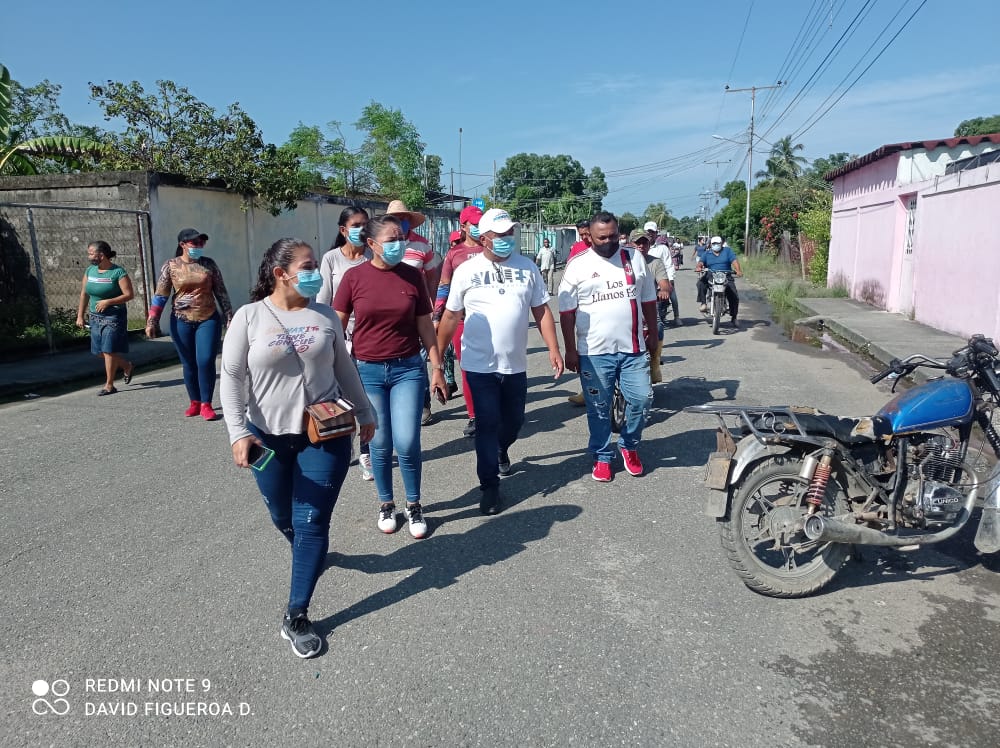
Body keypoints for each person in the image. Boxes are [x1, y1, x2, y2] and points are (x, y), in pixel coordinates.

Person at [220, 237, 375, 659]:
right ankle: (309, 552)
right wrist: (237, 432)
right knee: (281, 515)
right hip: (266, 439)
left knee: (312, 521)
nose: (314, 273)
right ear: (280, 274)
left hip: (325, 434)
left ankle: (296, 613)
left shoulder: (324, 315)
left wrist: (365, 411)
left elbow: (344, 366)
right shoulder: (249, 317)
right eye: (307, 266)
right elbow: (231, 378)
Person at [437, 208, 564, 515]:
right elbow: (451, 316)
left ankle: (501, 449)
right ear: (483, 239)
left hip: (515, 364)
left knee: (514, 422)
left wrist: (554, 348)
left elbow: (541, 311)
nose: (508, 238)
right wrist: (437, 361)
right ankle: (489, 486)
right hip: (478, 365)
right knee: (486, 423)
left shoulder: (527, 267)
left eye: (510, 233)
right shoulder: (467, 270)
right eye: (500, 234)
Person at [333, 214, 448, 539]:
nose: (400, 244)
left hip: (407, 369)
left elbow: (425, 325)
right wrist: (333, 371)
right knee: (380, 442)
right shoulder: (354, 278)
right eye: (392, 240)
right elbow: (336, 325)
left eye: (402, 238)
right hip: (367, 372)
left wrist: (437, 367)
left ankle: (414, 504)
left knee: (408, 442)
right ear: (371, 244)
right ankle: (386, 503)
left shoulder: (411, 276)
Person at [559, 212, 657, 482]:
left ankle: (629, 445)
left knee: (642, 399)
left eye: (613, 236)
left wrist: (653, 333)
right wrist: (570, 349)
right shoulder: (578, 264)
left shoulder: (634, 258)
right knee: (599, 408)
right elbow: (566, 312)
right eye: (601, 237)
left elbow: (648, 299)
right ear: (590, 237)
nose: (608, 241)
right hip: (593, 353)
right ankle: (602, 456)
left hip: (633, 348)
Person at [146, 228, 233, 420]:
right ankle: (195, 401)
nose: (199, 246)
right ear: (183, 244)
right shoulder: (171, 266)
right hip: (181, 320)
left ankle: (206, 404)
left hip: (207, 318)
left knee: (205, 360)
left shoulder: (208, 264)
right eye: (195, 243)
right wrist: (152, 320)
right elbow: (161, 295)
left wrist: (229, 315)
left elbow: (221, 291)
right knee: (189, 363)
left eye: (202, 242)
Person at [316, 206, 375, 481]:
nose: (362, 230)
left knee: (365, 397)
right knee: (342, 397)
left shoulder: (373, 256)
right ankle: (344, 443)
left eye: (365, 224)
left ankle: (366, 452)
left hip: (368, 337)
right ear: (343, 230)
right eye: (356, 225)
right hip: (339, 338)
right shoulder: (331, 259)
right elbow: (323, 300)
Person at [386, 199, 442, 427]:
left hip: (417, 312)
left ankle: (422, 403)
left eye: (404, 218)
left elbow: (432, 278)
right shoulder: (380, 245)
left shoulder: (422, 245)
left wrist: (433, 307)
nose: (401, 222)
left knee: (418, 359)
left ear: (410, 221)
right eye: (396, 218)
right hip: (388, 313)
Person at [433, 205, 483, 437]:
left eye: (481, 222)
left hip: (490, 320)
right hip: (462, 320)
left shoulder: (491, 248)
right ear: (463, 226)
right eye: (474, 223)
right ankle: (474, 415)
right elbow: (444, 286)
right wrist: (437, 316)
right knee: (467, 368)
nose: (479, 227)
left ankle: (496, 411)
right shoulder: (454, 254)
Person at [75, 240, 135, 395]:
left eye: (91, 253)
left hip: (113, 316)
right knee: (98, 351)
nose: (89, 256)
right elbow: (84, 294)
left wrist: (108, 302)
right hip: (95, 316)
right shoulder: (90, 271)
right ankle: (126, 366)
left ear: (101, 255)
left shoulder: (118, 272)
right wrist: (80, 315)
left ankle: (109, 385)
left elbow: (129, 295)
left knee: (108, 350)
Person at [629, 230, 672, 385]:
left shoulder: (655, 262)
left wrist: (664, 290)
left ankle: (654, 362)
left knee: (658, 325)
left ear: (649, 244)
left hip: (648, 306)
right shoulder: (621, 261)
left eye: (644, 242)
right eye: (637, 242)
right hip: (625, 307)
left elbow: (664, 283)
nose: (641, 246)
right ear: (630, 244)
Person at [566, 219, 593, 406]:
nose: (585, 238)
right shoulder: (577, 249)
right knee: (584, 347)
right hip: (583, 303)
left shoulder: (604, 246)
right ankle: (587, 389)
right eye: (581, 234)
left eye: (587, 234)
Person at [697, 235, 743, 324]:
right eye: (714, 243)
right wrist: (699, 267)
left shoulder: (727, 251)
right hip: (711, 274)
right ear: (711, 244)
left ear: (721, 244)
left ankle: (734, 317)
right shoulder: (707, 253)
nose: (716, 245)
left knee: (734, 295)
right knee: (700, 283)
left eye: (717, 243)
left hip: (726, 275)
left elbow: (734, 261)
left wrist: (738, 270)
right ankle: (703, 303)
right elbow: (701, 262)